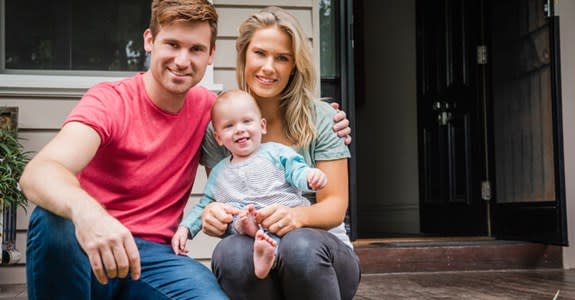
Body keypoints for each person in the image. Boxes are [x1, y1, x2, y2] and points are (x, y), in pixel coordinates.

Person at [19, 1, 351, 299]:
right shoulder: (110, 101)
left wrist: (331, 119)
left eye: (195, 49)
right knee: (54, 221)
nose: (182, 60)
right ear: (149, 41)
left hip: (155, 262)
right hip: (89, 247)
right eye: (172, 44)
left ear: (210, 57)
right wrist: (91, 216)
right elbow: (38, 173)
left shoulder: (215, 114)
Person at [200, 6, 361, 300]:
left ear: (294, 66)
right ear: (244, 56)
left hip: (322, 255)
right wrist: (213, 214)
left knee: (299, 246)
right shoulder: (221, 126)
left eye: (282, 58)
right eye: (260, 53)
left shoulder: (322, 118)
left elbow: (335, 205)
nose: (269, 67)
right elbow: (226, 203)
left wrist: (296, 217)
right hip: (257, 250)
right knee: (231, 253)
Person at [171, 89, 328, 280]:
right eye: (229, 126)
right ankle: (257, 238)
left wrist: (311, 177)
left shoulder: (276, 152)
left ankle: (268, 251)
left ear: (262, 126)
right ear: (219, 138)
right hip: (248, 225)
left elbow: (297, 171)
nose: (239, 129)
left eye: (247, 121)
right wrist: (185, 228)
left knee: (291, 239)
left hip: (284, 218)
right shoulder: (220, 172)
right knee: (237, 214)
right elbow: (207, 204)